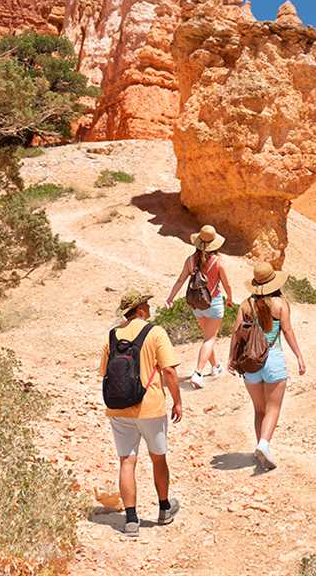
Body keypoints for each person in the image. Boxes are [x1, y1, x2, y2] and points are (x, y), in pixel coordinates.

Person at [98, 289, 183, 537]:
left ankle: (131, 520)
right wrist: (177, 401)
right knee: (158, 458)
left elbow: (105, 373)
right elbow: (169, 371)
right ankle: (164, 508)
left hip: (119, 407)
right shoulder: (155, 333)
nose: (149, 307)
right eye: (147, 304)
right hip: (151, 408)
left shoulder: (112, 336)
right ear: (140, 309)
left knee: (127, 461)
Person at [229, 262, 306, 471]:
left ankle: (260, 449)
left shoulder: (246, 305)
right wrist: (299, 356)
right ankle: (264, 444)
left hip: (250, 363)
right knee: (273, 408)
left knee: (259, 409)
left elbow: (236, 334)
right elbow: (288, 332)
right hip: (273, 359)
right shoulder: (281, 304)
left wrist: (231, 360)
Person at [167, 224, 234, 388]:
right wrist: (230, 299)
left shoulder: (190, 260)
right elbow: (227, 285)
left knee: (207, 338)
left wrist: (170, 298)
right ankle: (197, 373)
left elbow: (181, 280)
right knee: (210, 339)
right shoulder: (218, 262)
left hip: (197, 304)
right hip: (214, 302)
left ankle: (216, 367)